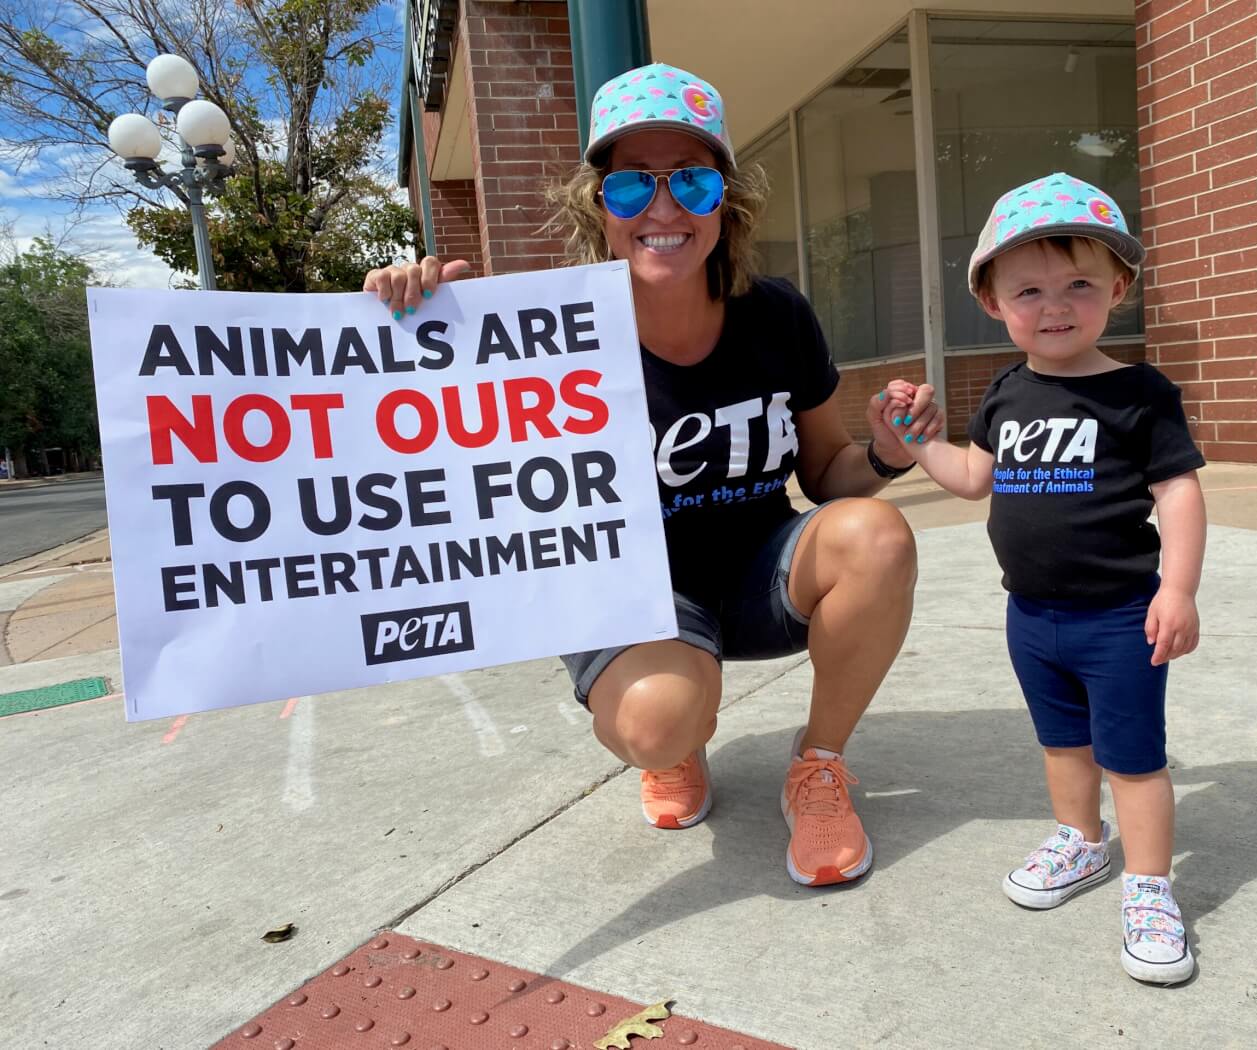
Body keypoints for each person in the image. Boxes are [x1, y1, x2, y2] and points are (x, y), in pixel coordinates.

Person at [363, 62, 942, 887]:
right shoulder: (534, 333)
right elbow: (422, 463)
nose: (663, 209)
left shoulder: (776, 315)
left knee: (876, 538)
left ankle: (817, 764)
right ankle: (680, 731)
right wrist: (405, 328)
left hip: (756, 569)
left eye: (693, 182)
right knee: (659, 723)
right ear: (598, 205)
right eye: (633, 185)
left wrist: (885, 451)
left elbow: (827, 476)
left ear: (726, 202)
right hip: (623, 585)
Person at [879, 172, 1207, 983]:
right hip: (1030, 615)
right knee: (1063, 744)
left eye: (1079, 285)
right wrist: (918, 439)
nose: (1054, 305)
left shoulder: (1140, 394)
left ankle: (1150, 886)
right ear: (992, 301)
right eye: (1028, 289)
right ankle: (1083, 844)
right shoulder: (1005, 390)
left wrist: (1178, 587)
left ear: (1118, 289)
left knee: (1133, 758)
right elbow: (969, 477)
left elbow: (1180, 491)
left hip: (1120, 615)